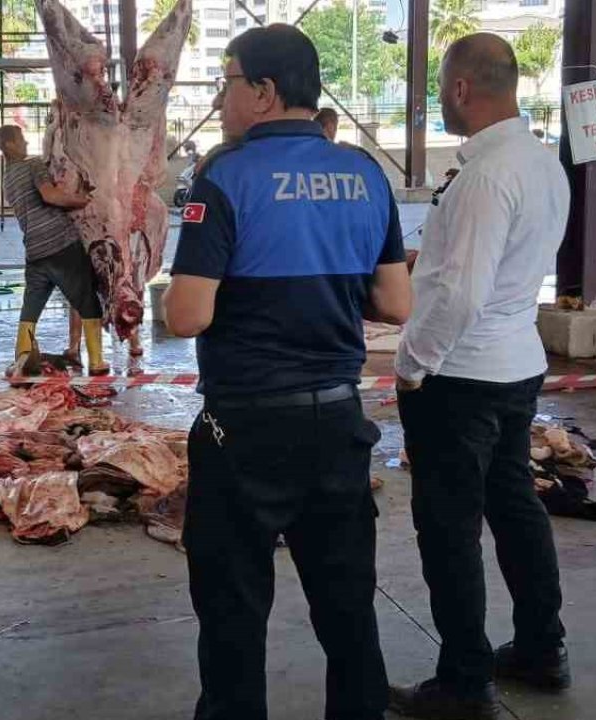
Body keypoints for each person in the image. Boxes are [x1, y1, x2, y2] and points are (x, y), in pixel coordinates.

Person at [164, 24, 412, 720]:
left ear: (264, 91)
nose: (222, 97)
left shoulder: (225, 178)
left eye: (229, 80)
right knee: (348, 613)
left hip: (244, 431)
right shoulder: (364, 174)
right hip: (337, 422)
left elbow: (186, 316)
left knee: (234, 615)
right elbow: (395, 301)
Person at [390, 34, 571, 720]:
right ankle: (540, 648)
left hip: (460, 379)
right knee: (515, 508)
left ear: (462, 89)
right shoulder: (540, 163)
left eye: (441, 87)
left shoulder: (486, 177)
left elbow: (461, 294)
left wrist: (412, 367)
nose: (440, 99)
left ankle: (465, 682)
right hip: (517, 365)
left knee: (449, 528)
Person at [0, 124, 110, 375]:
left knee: (31, 306)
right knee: (87, 300)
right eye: (21, 138)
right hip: (60, 245)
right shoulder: (33, 165)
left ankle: (22, 357)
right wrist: (82, 200)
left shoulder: (7, 179)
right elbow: (50, 196)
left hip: (34, 251)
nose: (26, 143)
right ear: (10, 145)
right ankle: (97, 361)